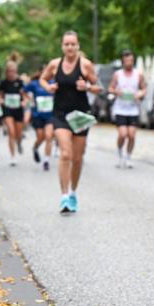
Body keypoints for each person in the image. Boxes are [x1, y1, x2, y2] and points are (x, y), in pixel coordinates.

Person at [40, 32, 101, 212]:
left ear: (78, 46)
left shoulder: (85, 65)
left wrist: (87, 87)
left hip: (81, 115)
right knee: (65, 153)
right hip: (60, 115)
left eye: (73, 44)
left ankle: (73, 192)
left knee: (77, 158)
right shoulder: (54, 64)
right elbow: (42, 79)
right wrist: (48, 87)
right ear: (62, 46)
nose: (70, 47)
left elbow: (99, 87)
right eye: (66, 44)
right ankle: (64, 196)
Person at [108, 49, 146, 168]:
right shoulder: (117, 74)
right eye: (127, 61)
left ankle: (128, 156)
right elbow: (110, 89)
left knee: (132, 135)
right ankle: (120, 154)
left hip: (133, 109)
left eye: (131, 60)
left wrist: (140, 94)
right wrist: (116, 92)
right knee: (123, 134)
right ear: (123, 62)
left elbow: (144, 89)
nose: (129, 63)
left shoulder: (138, 74)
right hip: (120, 109)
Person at [0, 57, 27, 166]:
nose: (11, 73)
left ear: (16, 71)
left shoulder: (20, 82)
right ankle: (12, 156)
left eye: (13, 71)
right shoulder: (3, 83)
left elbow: (25, 96)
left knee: (18, 134)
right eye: (9, 71)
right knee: (11, 132)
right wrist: (0, 100)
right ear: (6, 72)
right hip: (8, 109)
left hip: (18, 109)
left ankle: (19, 143)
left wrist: (24, 101)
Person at [26, 72, 54, 171]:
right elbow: (23, 91)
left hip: (50, 115)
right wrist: (28, 99)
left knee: (49, 136)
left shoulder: (53, 82)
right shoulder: (34, 84)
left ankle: (46, 161)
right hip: (38, 115)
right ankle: (35, 148)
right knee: (41, 136)